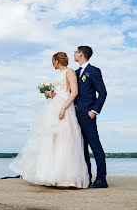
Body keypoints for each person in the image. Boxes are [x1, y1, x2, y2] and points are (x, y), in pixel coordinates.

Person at [8, 52, 89, 188]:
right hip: (53, 107)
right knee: (52, 140)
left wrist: (63, 108)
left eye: (53, 61)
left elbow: (74, 92)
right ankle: (52, 175)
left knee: (65, 140)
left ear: (57, 61)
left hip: (64, 107)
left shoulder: (69, 72)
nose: (52, 63)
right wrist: (49, 93)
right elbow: (57, 91)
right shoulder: (59, 75)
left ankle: (68, 178)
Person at [71, 46, 108, 188]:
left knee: (95, 146)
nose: (74, 54)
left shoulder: (93, 71)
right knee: (82, 148)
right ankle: (87, 176)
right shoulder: (75, 73)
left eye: (75, 52)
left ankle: (101, 179)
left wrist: (94, 111)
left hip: (88, 115)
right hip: (75, 115)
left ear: (81, 54)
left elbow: (103, 93)